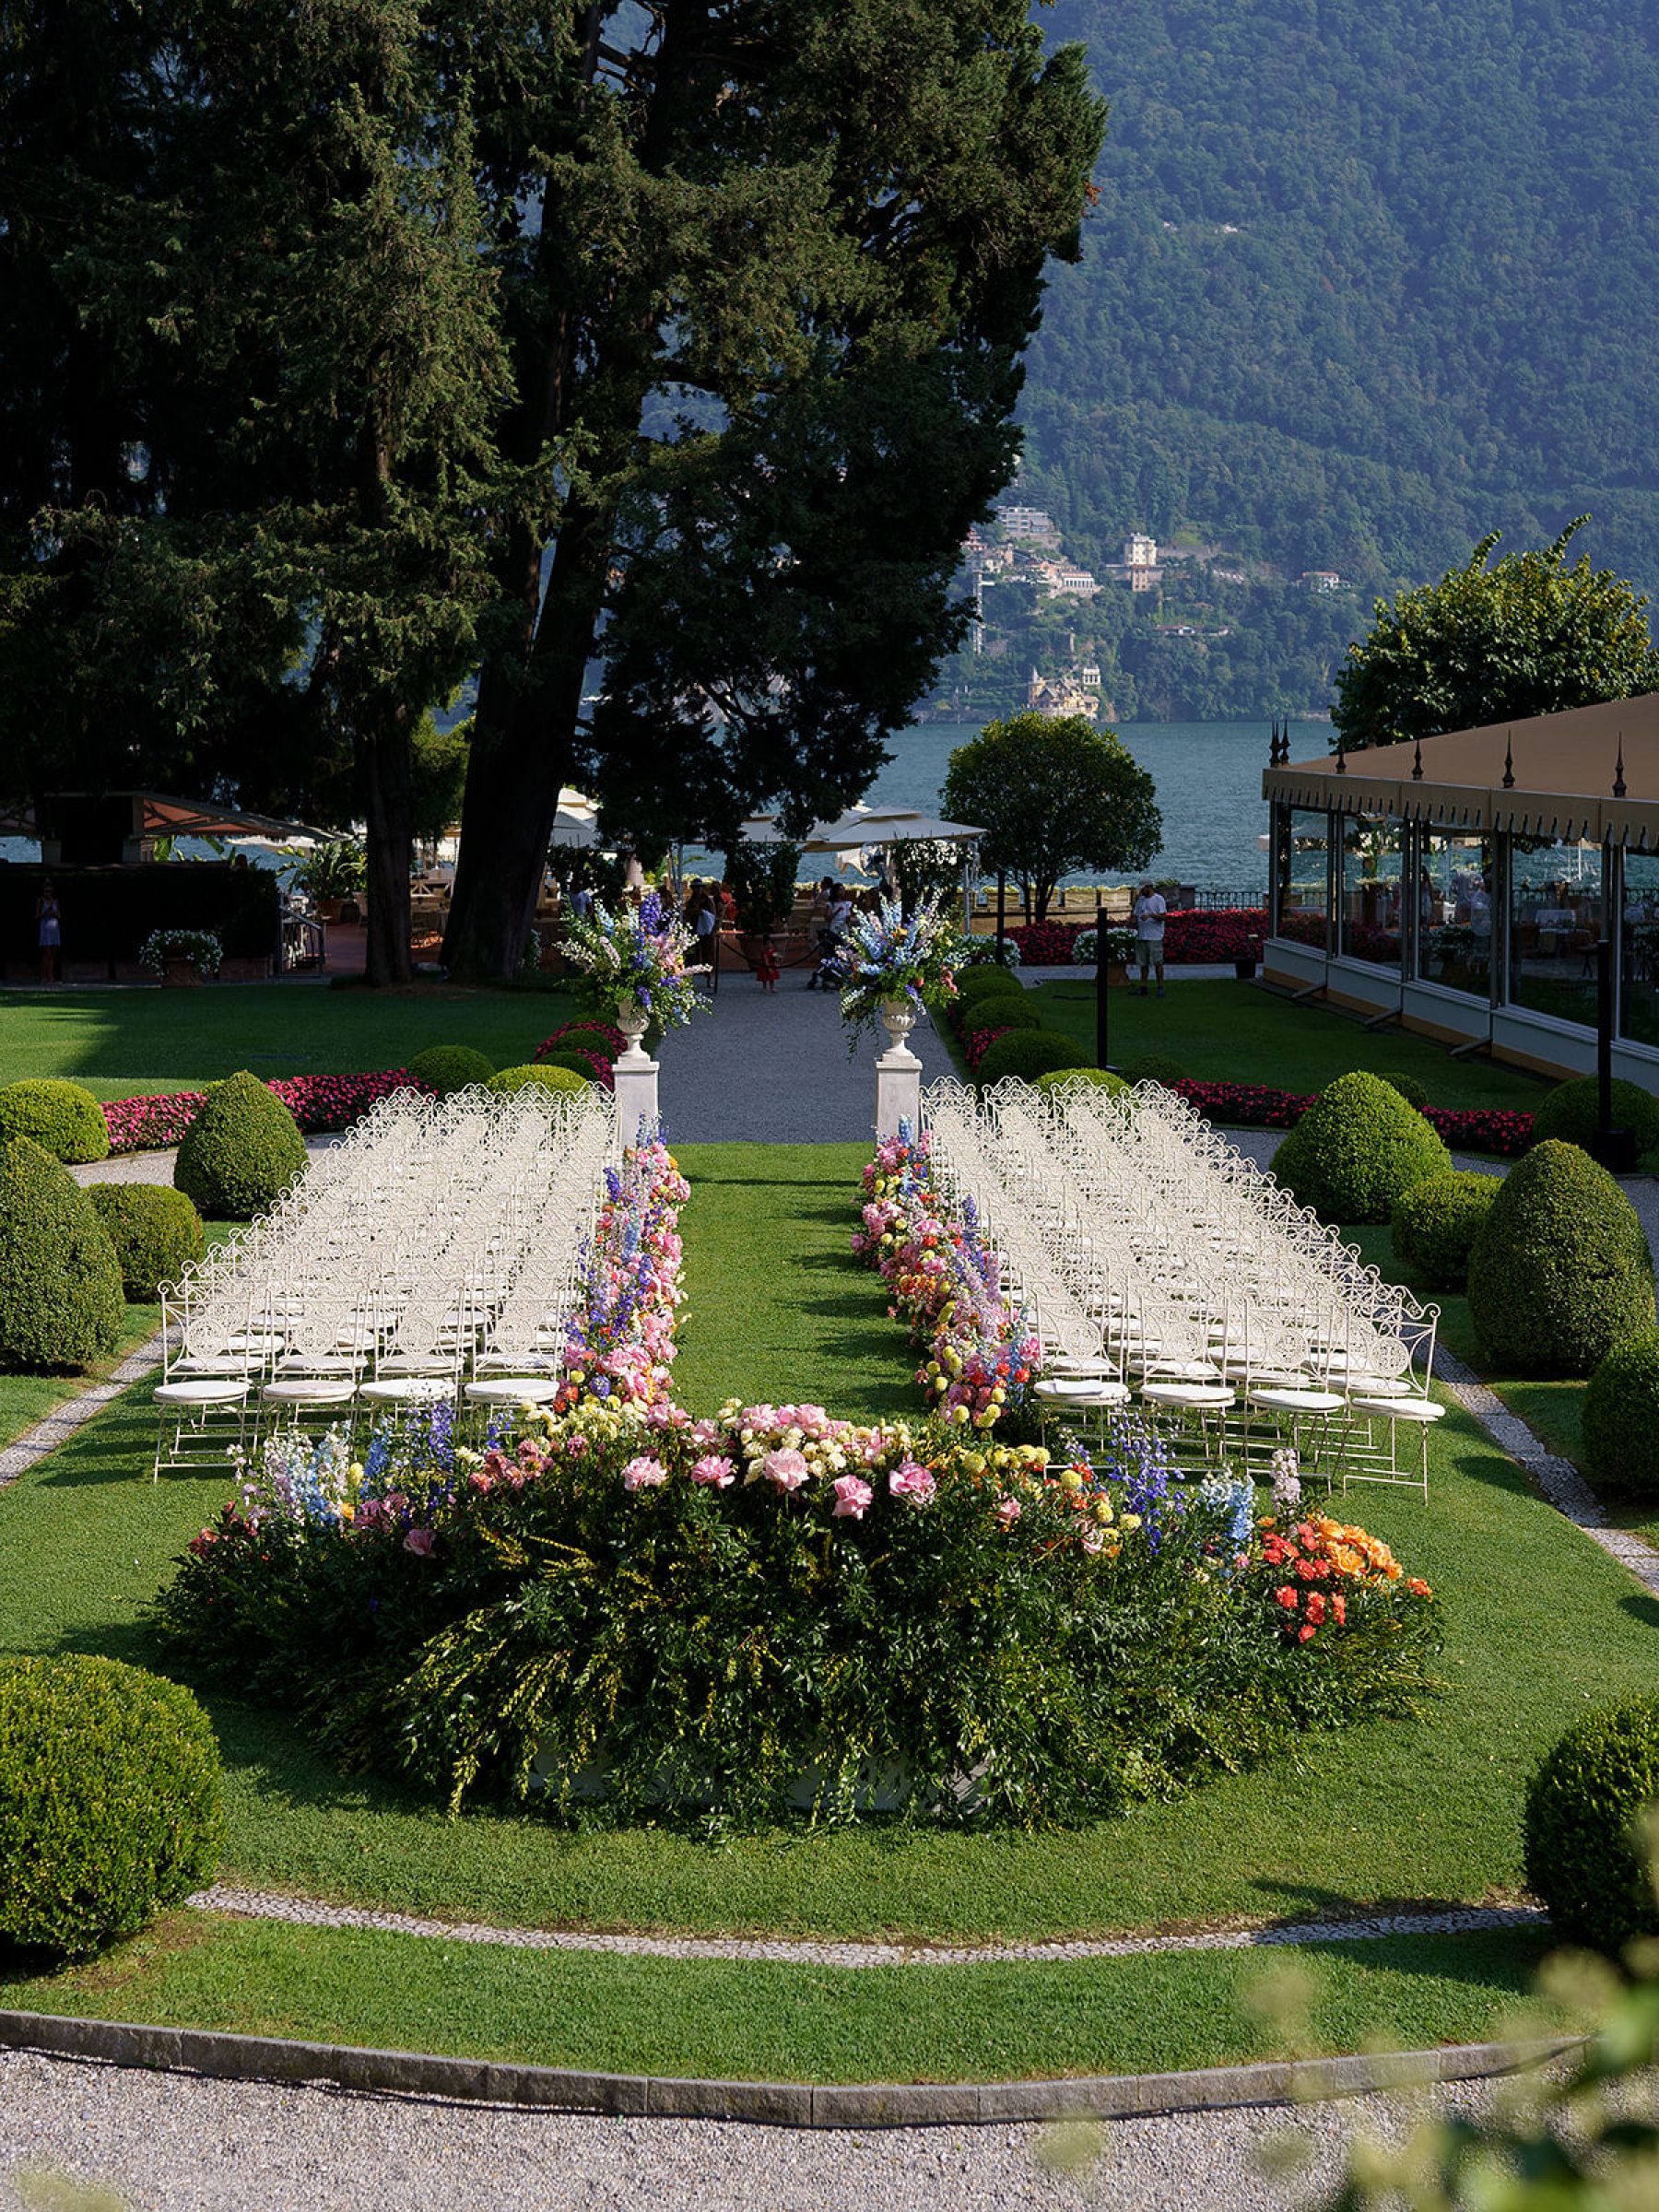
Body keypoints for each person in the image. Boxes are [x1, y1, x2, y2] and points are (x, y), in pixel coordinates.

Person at [1132, 879, 1167, 998]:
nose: (1141, 891)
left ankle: (1160, 987)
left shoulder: (1158, 899)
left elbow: (1162, 916)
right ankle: (1143, 986)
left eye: (1143, 889)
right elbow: (1135, 914)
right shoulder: (1140, 901)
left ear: (1149, 887)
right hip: (1142, 935)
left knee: (1158, 963)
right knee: (1143, 963)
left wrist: (1151, 915)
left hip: (1155, 936)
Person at [35, 878, 61, 985]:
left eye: (50, 891)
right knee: (46, 953)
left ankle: (51, 976)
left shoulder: (55, 901)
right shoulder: (40, 901)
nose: (48, 893)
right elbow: (37, 916)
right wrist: (46, 913)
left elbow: (59, 915)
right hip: (45, 928)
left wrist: (53, 913)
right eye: (46, 891)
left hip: (54, 928)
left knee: (53, 955)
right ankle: (43, 977)